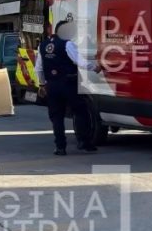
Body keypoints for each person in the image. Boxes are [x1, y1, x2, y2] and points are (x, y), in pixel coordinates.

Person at [35, 20, 102, 155]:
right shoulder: (67, 44)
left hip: (52, 85)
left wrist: (42, 84)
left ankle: (60, 147)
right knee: (81, 112)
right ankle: (84, 142)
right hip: (68, 84)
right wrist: (95, 67)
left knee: (57, 117)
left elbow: (39, 68)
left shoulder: (43, 45)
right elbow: (80, 61)